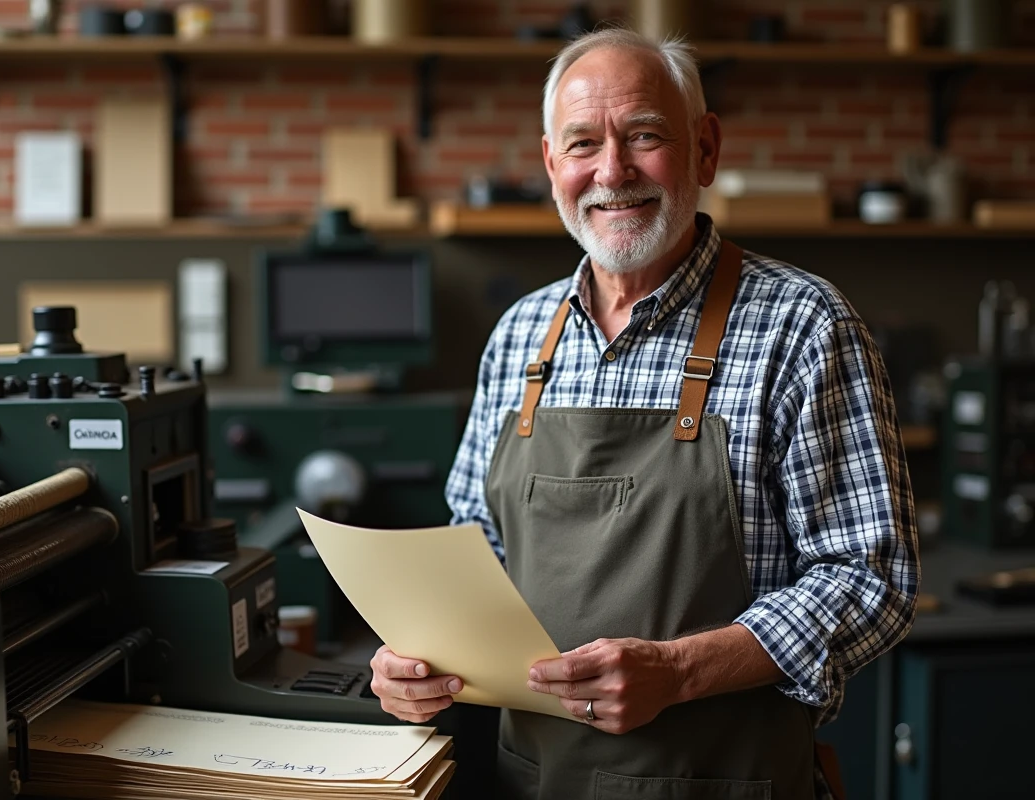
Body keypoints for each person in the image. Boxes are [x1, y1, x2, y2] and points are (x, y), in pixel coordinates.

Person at [369, 28, 920, 799]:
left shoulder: (804, 326)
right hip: (534, 784)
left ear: (705, 149)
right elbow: (477, 553)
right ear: (552, 164)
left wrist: (679, 670)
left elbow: (871, 578)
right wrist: (418, 659)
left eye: (645, 136)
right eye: (583, 143)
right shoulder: (521, 335)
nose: (612, 171)